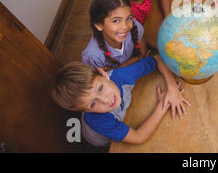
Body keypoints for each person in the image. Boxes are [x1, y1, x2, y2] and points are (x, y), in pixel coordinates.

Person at [50, 56, 190, 147]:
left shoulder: (121, 75)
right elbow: (139, 137)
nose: (105, 100)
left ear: (103, 74)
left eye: (100, 88)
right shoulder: (98, 120)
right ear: (85, 111)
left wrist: (172, 87)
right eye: (92, 103)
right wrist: (162, 105)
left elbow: (156, 60)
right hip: (99, 141)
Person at [81, 0, 148, 71]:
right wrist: (133, 61)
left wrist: (116, 69)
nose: (125, 27)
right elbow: (100, 80)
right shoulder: (93, 56)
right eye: (116, 21)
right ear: (99, 25)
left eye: (128, 18)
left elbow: (142, 52)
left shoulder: (134, 26)